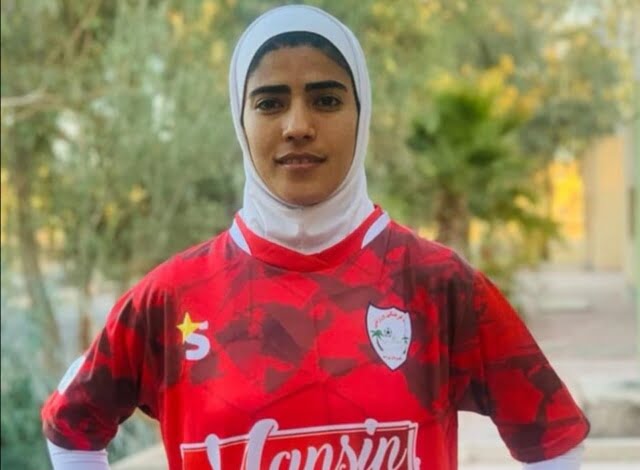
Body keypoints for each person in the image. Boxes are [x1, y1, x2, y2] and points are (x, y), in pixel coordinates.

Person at [42, 5, 589, 470]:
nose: (297, 125)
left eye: (326, 100)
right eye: (270, 102)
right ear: (240, 119)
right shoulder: (171, 298)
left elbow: (554, 438)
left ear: (361, 113)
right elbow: (71, 427)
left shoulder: (439, 285)